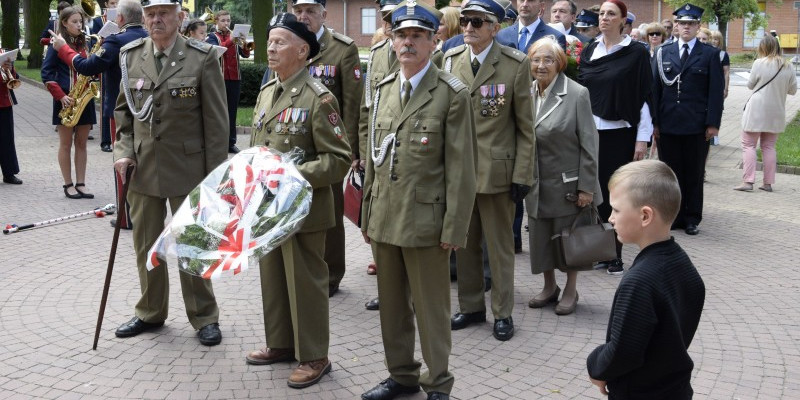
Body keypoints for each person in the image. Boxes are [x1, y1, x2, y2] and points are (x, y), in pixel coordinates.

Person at [360, 2, 476, 398]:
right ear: (391, 41)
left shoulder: (451, 94)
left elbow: (462, 169)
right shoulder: (382, 90)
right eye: (400, 35)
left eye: (416, 36)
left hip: (428, 221)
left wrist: (455, 227)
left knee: (431, 310)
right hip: (386, 217)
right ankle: (402, 375)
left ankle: (438, 382)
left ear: (433, 41)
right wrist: (366, 215)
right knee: (392, 309)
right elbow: (375, 158)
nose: (407, 42)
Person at [112, 0, 228, 347]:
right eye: (150, 14)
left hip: (189, 169)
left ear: (180, 17)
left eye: (164, 13)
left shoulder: (203, 57)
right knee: (147, 245)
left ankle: (204, 315)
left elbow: (217, 125)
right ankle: (150, 311)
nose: (156, 20)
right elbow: (124, 115)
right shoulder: (132, 55)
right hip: (143, 168)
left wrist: (214, 180)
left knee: (193, 245)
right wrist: (123, 152)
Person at [245, 13, 351, 388]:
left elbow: (338, 160)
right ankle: (280, 343)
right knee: (273, 277)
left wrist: (291, 174)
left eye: (280, 42)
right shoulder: (267, 90)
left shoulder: (318, 96)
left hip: (304, 210)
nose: (271, 48)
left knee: (305, 283)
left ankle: (315, 356)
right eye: (270, 41)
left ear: (303, 50)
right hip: (269, 208)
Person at [444, 0, 535, 342]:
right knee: (463, 245)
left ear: (495, 28)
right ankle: (470, 307)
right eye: (465, 21)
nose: (468, 27)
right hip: (460, 173)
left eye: (478, 22)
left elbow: (526, 127)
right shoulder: (450, 61)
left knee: (499, 249)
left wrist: (523, 174)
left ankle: (503, 312)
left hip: (498, 174)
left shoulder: (515, 64)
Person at [586, 159, 705, 399]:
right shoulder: (684, 266)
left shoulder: (640, 282)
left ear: (644, 216)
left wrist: (596, 367)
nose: (610, 218)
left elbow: (624, 351)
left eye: (616, 210)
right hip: (675, 389)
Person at [52, 0, 147, 230]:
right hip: (148, 110)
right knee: (145, 160)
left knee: (123, 162)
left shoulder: (117, 40)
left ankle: (125, 216)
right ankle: (146, 213)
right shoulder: (151, 37)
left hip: (122, 111)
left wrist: (63, 48)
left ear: (121, 19)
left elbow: (86, 67)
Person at [526, 37, 600, 315]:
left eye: (547, 60)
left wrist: (587, 187)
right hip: (536, 182)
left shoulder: (577, 93)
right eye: (535, 59)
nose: (541, 65)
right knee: (542, 237)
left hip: (568, 183)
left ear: (559, 63)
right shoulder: (527, 92)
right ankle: (549, 287)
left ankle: (570, 289)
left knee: (568, 238)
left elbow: (590, 144)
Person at [577, 0, 652, 275]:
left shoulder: (636, 53)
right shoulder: (589, 51)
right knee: (589, 191)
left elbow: (644, 97)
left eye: (611, 14)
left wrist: (642, 138)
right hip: (588, 131)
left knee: (615, 195)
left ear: (623, 20)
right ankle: (596, 249)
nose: (604, 18)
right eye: (602, 14)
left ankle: (615, 254)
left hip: (619, 132)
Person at [651, 3, 723, 236]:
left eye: (691, 24)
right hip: (669, 123)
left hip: (696, 125)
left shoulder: (710, 54)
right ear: (676, 26)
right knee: (670, 174)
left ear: (698, 26)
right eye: (682, 23)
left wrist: (713, 124)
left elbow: (715, 92)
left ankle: (692, 217)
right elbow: (655, 90)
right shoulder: (664, 52)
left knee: (693, 173)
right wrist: (655, 122)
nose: (686, 27)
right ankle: (674, 216)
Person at [359, 0, 403, 312]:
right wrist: (362, 152)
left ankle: (411, 292)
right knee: (380, 226)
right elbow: (367, 110)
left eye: (394, 18)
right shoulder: (375, 54)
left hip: (412, 155)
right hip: (378, 155)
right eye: (385, 18)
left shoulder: (432, 53)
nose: (388, 24)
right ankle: (388, 291)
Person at [42, 6, 97, 200]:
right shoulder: (56, 44)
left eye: (80, 21)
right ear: (64, 23)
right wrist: (61, 96)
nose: (79, 25)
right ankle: (68, 184)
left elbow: (92, 70)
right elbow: (46, 74)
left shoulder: (86, 44)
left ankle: (81, 183)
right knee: (65, 144)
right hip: (65, 99)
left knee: (81, 143)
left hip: (85, 98)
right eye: (74, 22)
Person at [735, 34, 797, 193]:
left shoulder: (759, 63)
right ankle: (768, 183)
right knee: (769, 146)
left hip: (756, 109)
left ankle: (748, 181)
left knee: (748, 145)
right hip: (776, 111)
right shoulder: (788, 66)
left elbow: (750, 85)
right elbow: (792, 90)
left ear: (762, 48)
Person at [205, 10, 250, 154]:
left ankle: (231, 142)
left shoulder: (234, 37)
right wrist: (232, 39)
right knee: (219, 112)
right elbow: (221, 49)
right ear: (216, 21)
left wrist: (244, 44)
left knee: (232, 111)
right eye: (223, 20)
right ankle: (218, 142)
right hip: (220, 78)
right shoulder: (212, 37)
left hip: (235, 77)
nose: (226, 23)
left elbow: (246, 54)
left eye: (228, 20)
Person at [497, 0, 566, 52]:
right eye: (521, 0)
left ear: (541, 6)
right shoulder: (501, 35)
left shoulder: (556, 37)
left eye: (531, 0)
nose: (525, 4)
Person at [0, 51, 22, 185]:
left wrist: (9, 69)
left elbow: (14, 77)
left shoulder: (2, 53)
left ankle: (9, 173)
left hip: (4, 102)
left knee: (7, 139)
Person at [709, 29, 730, 99]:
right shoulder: (703, 53)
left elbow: (726, 73)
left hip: (718, 86)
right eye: (711, 38)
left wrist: (726, 89)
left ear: (719, 41)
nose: (713, 41)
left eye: (716, 39)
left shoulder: (723, 54)